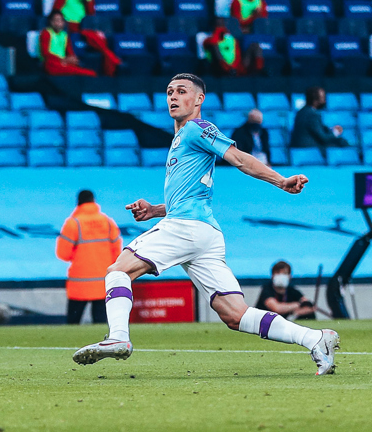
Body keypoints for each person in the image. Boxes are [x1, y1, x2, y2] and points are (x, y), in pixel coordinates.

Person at [72, 73, 339, 376]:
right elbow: (192, 193)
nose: (173, 97)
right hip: (203, 233)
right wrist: (156, 209)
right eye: (170, 91)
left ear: (198, 99)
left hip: (186, 227)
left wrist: (281, 181)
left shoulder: (197, 129)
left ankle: (118, 338)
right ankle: (316, 338)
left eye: (182, 91)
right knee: (235, 314)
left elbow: (239, 158)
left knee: (119, 270)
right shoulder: (181, 138)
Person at [55, 190, 122, 325]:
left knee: (73, 325)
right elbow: (117, 253)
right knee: (101, 326)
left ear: (78, 202)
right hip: (103, 283)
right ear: (94, 201)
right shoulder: (108, 222)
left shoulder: (73, 224)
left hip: (79, 284)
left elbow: (63, 254)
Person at [51, 0, 121, 76]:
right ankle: (114, 61)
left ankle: (110, 66)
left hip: (83, 28)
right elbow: (55, 11)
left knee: (99, 39)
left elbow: (91, 15)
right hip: (67, 26)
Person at [290, 86, 349, 152]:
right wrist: (335, 132)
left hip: (302, 147)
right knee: (341, 142)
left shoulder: (301, 112)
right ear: (315, 101)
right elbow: (323, 138)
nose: (324, 101)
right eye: (322, 99)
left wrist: (330, 130)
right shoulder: (312, 115)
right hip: (309, 149)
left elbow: (316, 129)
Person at [38, 11, 97, 76]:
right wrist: (63, 60)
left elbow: (69, 51)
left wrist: (72, 58)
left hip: (63, 62)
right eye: (56, 20)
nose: (59, 23)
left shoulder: (64, 35)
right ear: (51, 22)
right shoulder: (46, 33)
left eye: (61, 20)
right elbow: (45, 54)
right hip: (51, 62)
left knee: (86, 70)